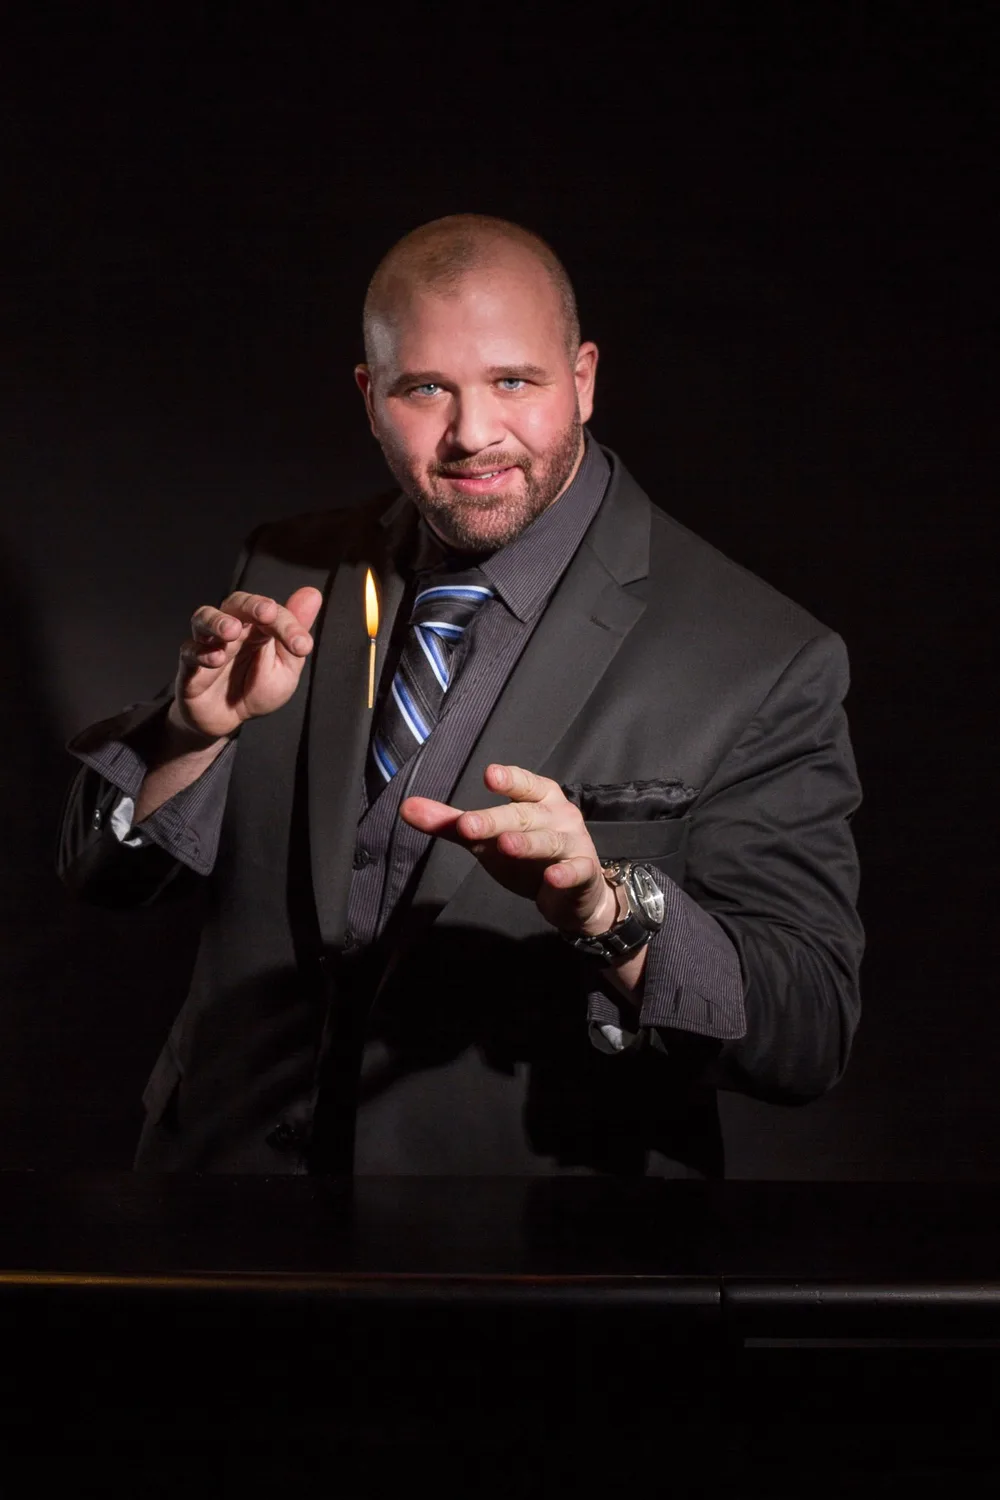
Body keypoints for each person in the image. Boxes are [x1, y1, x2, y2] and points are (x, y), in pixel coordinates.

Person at [58, 214, 863, 1177]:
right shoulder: (284, 565)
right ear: (370, 397)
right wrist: (190, 737)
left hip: (522, 1241)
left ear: (584, 379)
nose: (473, 435)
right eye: (426, 388)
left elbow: (808, 1033)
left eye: (514, 382)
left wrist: (614, 912)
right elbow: (104, 881)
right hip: (218, 1200)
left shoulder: (762, 655)